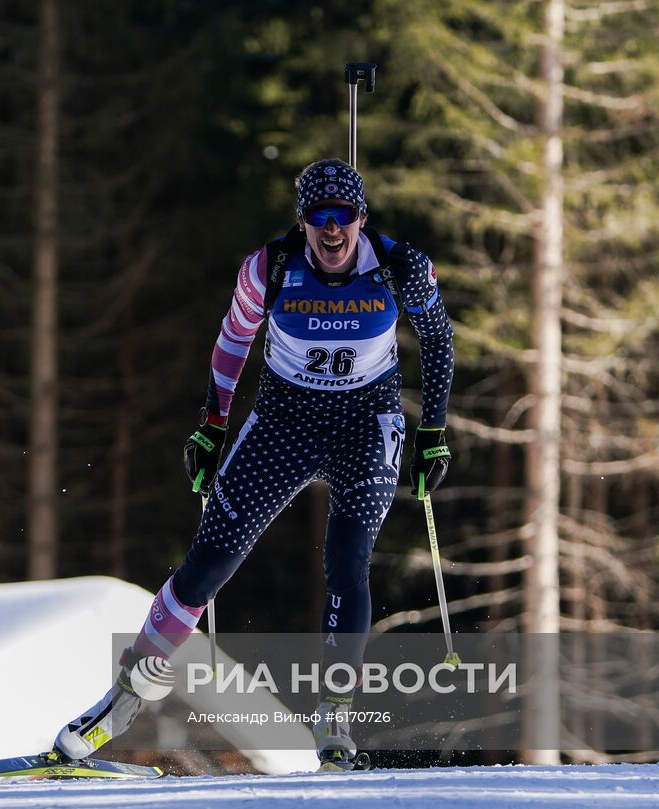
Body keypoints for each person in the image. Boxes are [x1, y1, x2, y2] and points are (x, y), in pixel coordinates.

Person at [52, 158, 455, 770]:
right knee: (208, 563)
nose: (332, 228)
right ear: (303, 220)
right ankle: (124, 701)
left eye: (343, 215)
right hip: (284, 420)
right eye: (318, 215)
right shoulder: (268, 269)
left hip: (366, 421)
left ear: (361, 218)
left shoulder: (402, 267)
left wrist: (434, 432)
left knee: (348, 558)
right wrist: (213, 424)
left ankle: (335, 718)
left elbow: (438, 336)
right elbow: (233, 340)